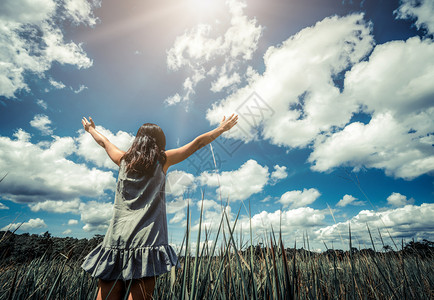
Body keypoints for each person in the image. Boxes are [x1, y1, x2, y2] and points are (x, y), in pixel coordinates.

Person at [80, 113, 238, 300]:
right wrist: (221, 129)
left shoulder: (122, 160)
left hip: (116, 239)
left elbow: (104, 142)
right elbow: (197, 144)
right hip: (147, 240)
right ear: (159, 142)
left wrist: (91, 129)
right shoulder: (162, 160)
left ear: (138, 140)